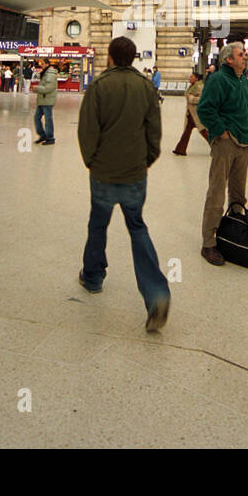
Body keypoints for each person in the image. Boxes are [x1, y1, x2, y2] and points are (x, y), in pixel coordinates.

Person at [76, 36, 169, 331]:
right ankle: (156, 295)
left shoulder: (99, 86)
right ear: (133, 57)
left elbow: (87, 130)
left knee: (97, 224)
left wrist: (92, 161)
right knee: (137, 228)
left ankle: (93, 278)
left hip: (103, 173)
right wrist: (146, 161)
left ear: (111, 56)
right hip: (134, 175)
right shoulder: (146, 87)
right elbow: (155, 132)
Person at [196, 42, 248, 266]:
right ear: (228, 60)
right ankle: (209, 242)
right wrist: (220, 131)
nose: (245, 57)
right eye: (240, 55)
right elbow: (205, 108)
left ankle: (234, 230)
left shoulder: (243, 80)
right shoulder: (219, 79)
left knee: (239, 192)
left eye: (244, 54)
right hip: (226, 142)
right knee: (217, 191)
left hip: (244, 140)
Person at [172, 71, 206, 155]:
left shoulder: (200, 87)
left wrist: (191, 98)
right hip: (191, 114)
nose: (190, 78)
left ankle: (216, 147)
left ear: (196, 78)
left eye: (192, 76)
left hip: (197, 114)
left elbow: (203, 99)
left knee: (204, 132)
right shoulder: (192, 87)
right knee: (186, 132)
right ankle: (180, 149)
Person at [34, 59, 57, 144]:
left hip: (47, 100)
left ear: (47, 64)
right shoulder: (45, 73)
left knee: (48, 119)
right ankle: (43, 135)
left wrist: (37, 88)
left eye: (42, 64)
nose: (41, 65)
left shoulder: (50, 74)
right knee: (37, 118)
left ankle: (50, 138)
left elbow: (49, 88)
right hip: (42, 100)